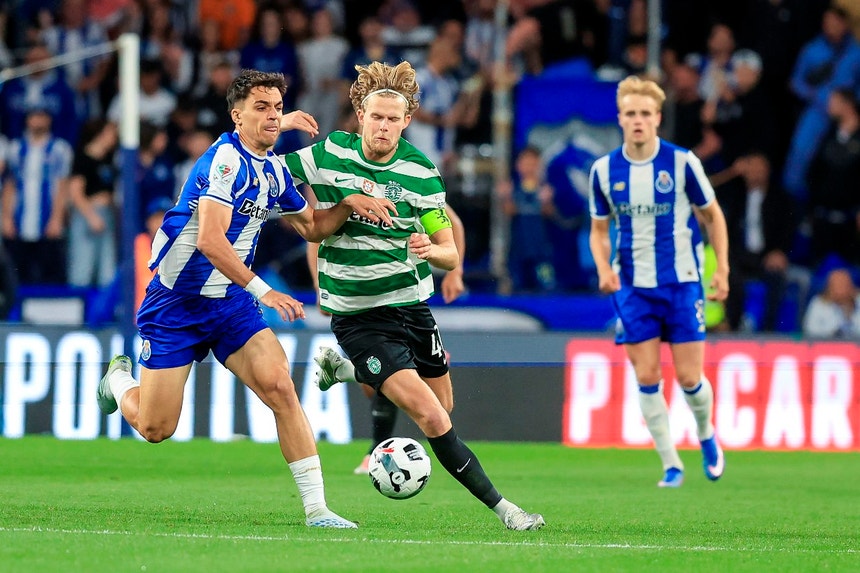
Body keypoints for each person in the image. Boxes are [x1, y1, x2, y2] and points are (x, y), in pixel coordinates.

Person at [97, 69, 397, 529]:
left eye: (277, 107)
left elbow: (312, 227)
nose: (273, 116)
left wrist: (347, 205)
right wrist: (266, 290)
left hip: (230, 304)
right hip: (176, 304)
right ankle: (118, 381)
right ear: (236, 116)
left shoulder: (274, 171)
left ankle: (317, 510)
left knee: (281, 388)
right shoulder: (223, 162)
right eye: (261, 108)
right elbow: (210, 241)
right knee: (157, 429)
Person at [281, 61, 544, 531]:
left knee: (443, 406)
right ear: (360, 113)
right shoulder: (327, 155)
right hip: (358, 314)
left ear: (407, 122)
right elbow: (261, 169)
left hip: (410, 305)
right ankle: (507, 511)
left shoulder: (421, 173)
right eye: (375, 116)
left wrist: (434, 248)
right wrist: (278, 127)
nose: (382, 126)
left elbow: (449, 252)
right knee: (428, 415)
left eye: (392, 119)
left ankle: (346, 368)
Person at [588, 75, 729, 488]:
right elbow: (599, 230)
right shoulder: (603, 170)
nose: (637, 121)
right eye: (630, 113)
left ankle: (706, 435)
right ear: (620, 119)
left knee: (689, 378)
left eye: (645, 114)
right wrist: (603, 268)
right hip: (632, 287)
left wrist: (721, 268)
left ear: (657, 118)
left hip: (683, 282)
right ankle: (671, 464)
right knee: (647, 375)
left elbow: (712, 216)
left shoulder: (683, 163)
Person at [306, 202, 467, 475]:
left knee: (441, 405)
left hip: (408, 297)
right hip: (362, 300)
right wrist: (320, 284)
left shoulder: (412, 181)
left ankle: (347, 372)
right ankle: (376, 446)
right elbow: (316, 234)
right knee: (381, 383)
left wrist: (455, 271)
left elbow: (453, 225)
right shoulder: (346, 185)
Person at [802, 267, 860, 339]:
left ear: (851, 285)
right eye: (837, 284)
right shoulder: (818, 303)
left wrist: (849, 309)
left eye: (844, 284)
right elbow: (810, 330)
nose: (841, 288)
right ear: (829, 287)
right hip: (827, 346)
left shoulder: (858, 299)